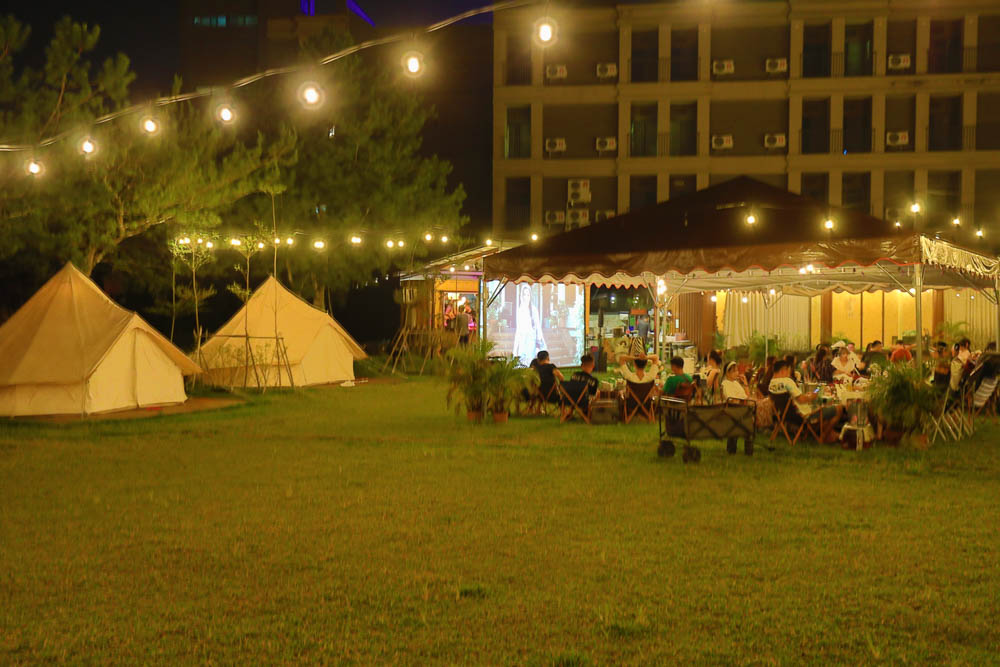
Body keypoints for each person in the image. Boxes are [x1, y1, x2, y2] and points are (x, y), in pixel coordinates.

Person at [769, 360, 843, 442]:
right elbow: (801, 400)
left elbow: (796, 398)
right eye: (788, 371)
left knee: (822, 407)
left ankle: (824, 434)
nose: (789, 374)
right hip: (803, 415)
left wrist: (807, 396)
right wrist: (813, 396)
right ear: (783, 370)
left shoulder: (771, 384)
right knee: (838, 408)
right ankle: (823, 436)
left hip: (785, 416)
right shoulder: (787, 382)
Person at [512, 284, 546, 367]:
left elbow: (538, 328)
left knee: (530, 365)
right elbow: (518, 330)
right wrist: (515, 349)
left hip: (531, 341)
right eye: (524, 294)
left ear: (530, 296)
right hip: (522, 341)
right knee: (522, 365)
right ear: (521, 295)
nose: (526, 297)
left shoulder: (534, 310)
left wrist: (541, 344)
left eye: (528, 294)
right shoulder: (520, 310)